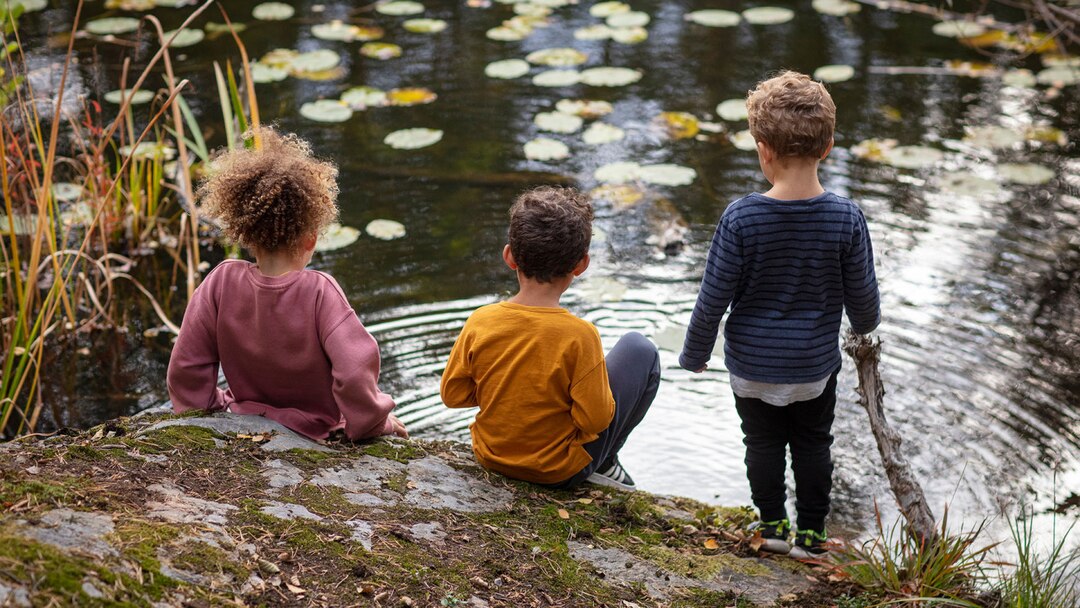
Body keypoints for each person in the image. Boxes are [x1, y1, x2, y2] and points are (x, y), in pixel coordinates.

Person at [679, 71, 880, 559]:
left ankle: (772, 528)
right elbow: (866, 307)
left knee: (762, 444)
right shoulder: (846, 217)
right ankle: (812, 536)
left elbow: (712, 298)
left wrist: (695, 353)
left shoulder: (741, 217)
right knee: (814, 445)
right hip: (813, 369)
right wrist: (861, 328)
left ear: (763, 148)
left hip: (752, 368)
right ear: (827, 146)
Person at [167, 127, 407, 442]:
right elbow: (353, 371)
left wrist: (207, 410)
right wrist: (372, 422)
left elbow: (186, 365)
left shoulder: (220, 282)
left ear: (246, 233)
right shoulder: (320, 292)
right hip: (314, 430)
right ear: (310, 239)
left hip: (244, 419)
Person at [441, 186, 660, 491]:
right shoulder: (580, 335)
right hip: (558, 471)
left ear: (509, 256)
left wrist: (510, 388)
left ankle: (605, 461)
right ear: (581, 265)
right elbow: (594, 421)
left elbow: (453, 395)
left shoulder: (482, 320)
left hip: (491, 455)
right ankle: (606, 461)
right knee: (639, 349)